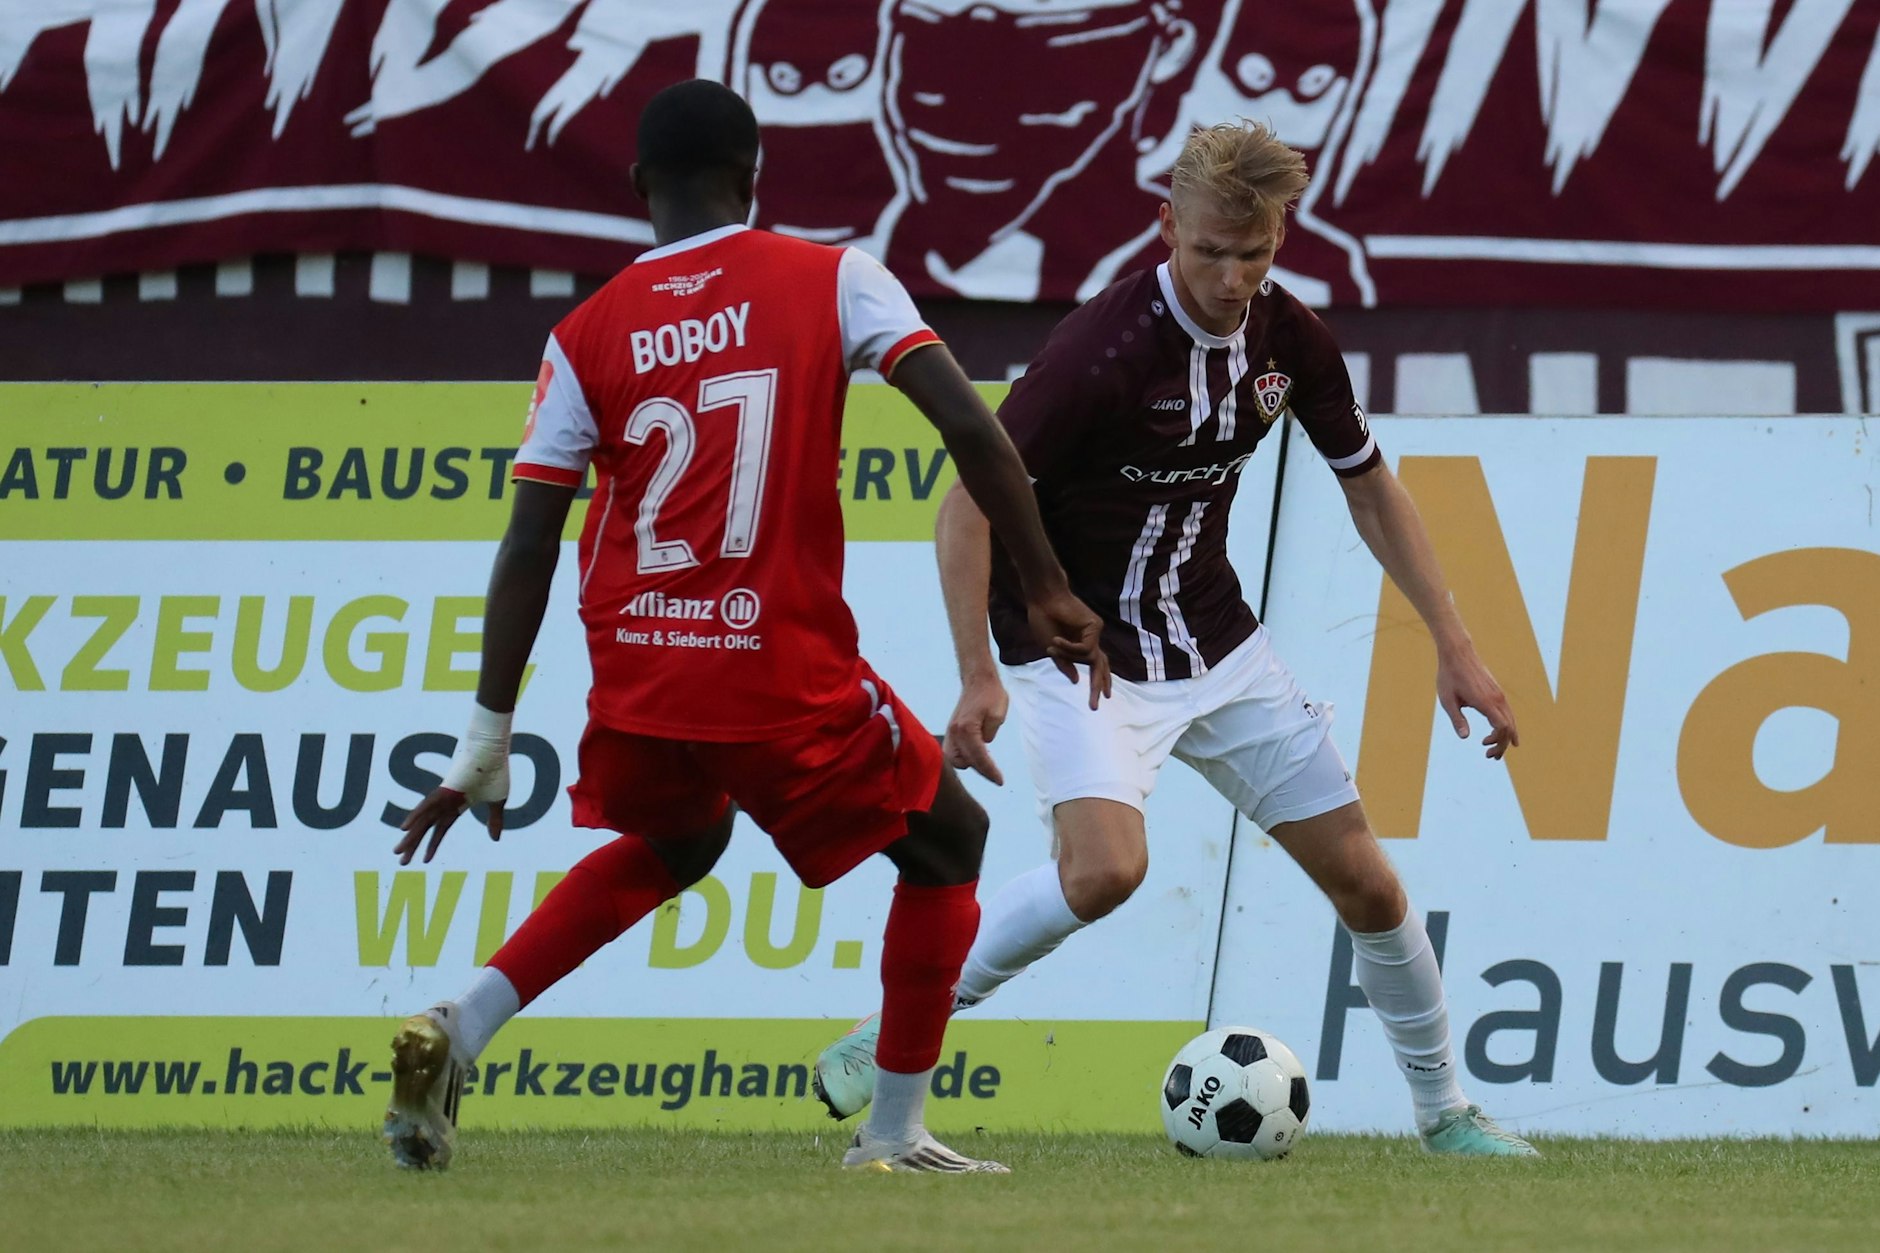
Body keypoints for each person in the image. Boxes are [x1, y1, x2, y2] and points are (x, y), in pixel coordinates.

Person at [380, 78, 1109, 1175]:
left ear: (638, 189)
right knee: (948, 840)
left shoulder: (584, 332)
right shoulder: (833, 278)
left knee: (684, 836)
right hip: (771, 664)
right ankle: (892, 1133)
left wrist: (484, 741)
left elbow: (528, 541)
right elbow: (970, 424)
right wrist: (1046, 583)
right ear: (754, 177)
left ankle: (463, 1022)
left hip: (638, 673)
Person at [812, 119, 1538, 1157]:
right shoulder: (1098, 351)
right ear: (1165, 228)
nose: (1232, 275)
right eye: (1209, 250)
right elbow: (965, 507)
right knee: (1105, 872)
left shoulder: (1290, 340)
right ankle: (888, 1036)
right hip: (1079, 651)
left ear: (1281, 234)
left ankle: (1447, 1115)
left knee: (1369, 884)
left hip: (1216, 643)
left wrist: (1452, 644)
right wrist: (978, 669)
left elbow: (1367, 484)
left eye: (1255, 251)